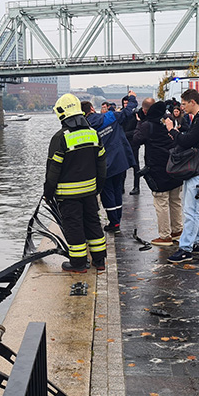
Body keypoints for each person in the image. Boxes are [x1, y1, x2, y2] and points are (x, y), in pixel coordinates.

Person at [46, 93, 108, 273]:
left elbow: (53, 170)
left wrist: (48, 193)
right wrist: (98, 188)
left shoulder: (60, 138)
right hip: (90, 192)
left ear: (62, 113)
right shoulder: (93, 134)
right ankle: (99, 260)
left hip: (68, 195)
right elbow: (102, 165)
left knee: (74, 227)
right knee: (92, 223)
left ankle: (79, 263)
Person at [165, 88, 199, 263]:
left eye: (184, 104)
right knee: (197, 209)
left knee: (191, 210)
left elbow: (187, 141)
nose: (183, 107)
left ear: (193, 102)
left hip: (198, 169)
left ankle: (185, 249)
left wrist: (172, 131)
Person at [83, 92, 139, 233]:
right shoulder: (109, 116)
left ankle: (114, 223)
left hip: (103, 166)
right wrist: (132, 97)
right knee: (117, 191)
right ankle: (117, 221)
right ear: (92, 109)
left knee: (107, 193)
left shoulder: (85, 128)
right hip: (120, 161)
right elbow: (128, 111)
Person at [133, 101, 183, 246]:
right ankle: (177, 230)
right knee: (175, 200)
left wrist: (139, 123)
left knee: (161, 202)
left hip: (157, 169)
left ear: (145, 111)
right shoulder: (168, 120)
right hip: (174, 166)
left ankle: (165, 236)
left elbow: (136, 140)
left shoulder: (147, 125)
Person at [124, 96, 154, 196]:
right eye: (124, 103)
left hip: (133, 143)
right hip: (124, 143)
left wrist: (126, 134)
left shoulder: (135, 116)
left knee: (135, 165)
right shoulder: (123, 116)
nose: (125, 105)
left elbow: (138, 130)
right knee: (123, 166)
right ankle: (121, 187)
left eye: (127, 103)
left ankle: (136, 186)